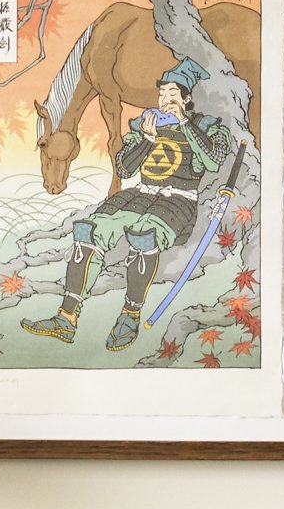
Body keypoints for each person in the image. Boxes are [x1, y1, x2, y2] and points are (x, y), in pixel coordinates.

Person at [22, 59, 228, 352]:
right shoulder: (146, 123)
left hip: (178, 201)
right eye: (162, 93)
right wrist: (146, 139)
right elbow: (126, 169)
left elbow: (212, 161)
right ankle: (66, 318)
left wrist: (184, 124)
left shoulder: (204, 126)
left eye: (173, 94)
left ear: (186, 98)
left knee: (143, 238)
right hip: (139, 195)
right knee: (87, 231)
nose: (165, 100)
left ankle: (130, 315)